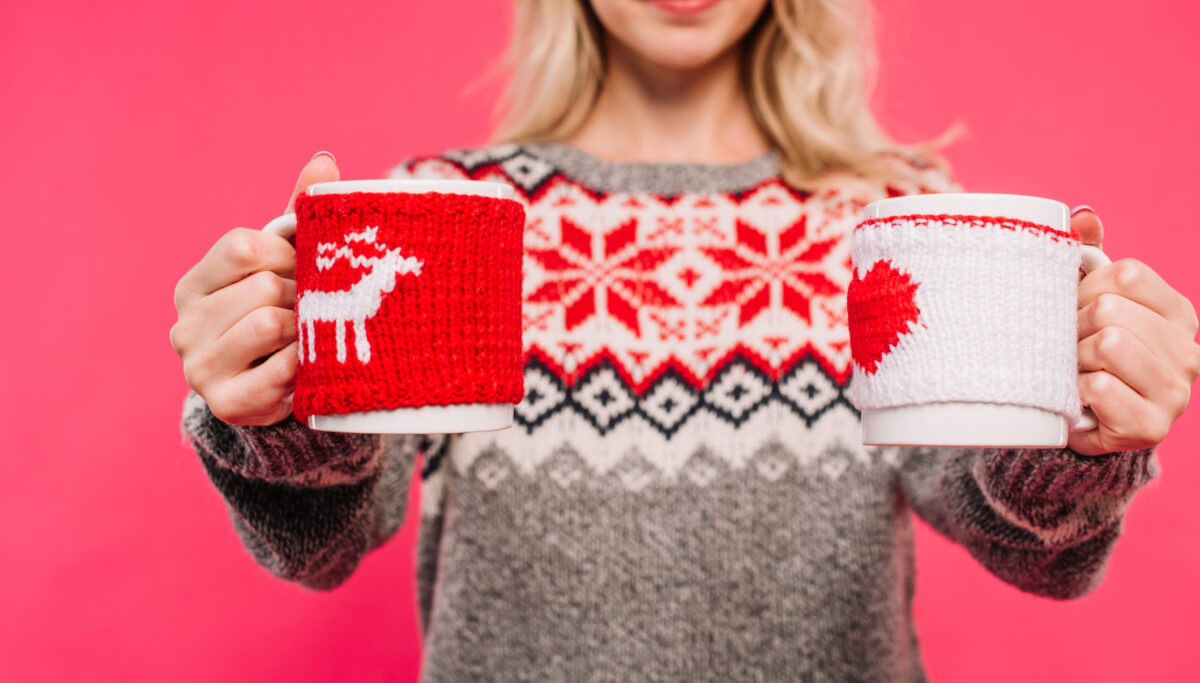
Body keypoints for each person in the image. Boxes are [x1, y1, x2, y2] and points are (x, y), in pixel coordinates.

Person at [169, 0, 1199, 680]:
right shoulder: (448, 214)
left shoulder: (894, 220)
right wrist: (274, 405)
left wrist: (1086, 435)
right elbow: (327, 535)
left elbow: (1025, 534)